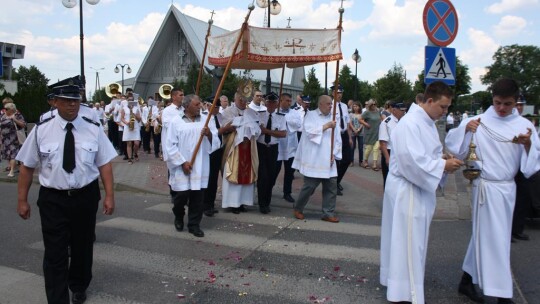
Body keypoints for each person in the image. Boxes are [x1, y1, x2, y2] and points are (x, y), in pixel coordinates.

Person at [16, 84, 116, 304]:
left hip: (85, 196)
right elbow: (26, 166)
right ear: (54, 102)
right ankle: (57, 299)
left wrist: (109, 195)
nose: (73, 104)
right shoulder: (42, 129)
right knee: (55, 253)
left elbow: (104, 164)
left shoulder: (92, 127)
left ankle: (79, 285)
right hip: (54, 199)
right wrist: (22, 200)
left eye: (76, 100)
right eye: (67, 100)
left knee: (82, 248)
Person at [446, 78, 540, 304]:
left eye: (507, 104)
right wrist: (465, 130)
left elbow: (532, 165)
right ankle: (501, 294)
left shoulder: (524, 126)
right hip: (486, 187)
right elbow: (453, 146)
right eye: (497, 103)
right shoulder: (477, 121)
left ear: (516, 101)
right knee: (496, 240)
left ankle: (467, 280)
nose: (501, 108)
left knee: (487, 236)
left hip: (507, 188)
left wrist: (527, 145)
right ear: (492, 99)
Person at [380, 81, 462, 304]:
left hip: (416, 187)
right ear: (429, 101)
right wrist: (442, 166)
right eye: (442, 107)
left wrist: (441, 160)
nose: (444, 112)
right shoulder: (410, 124)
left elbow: (426, 155)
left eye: (448, 108)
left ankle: (404, 286)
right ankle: (404, 292)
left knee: (412, 243)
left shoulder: (426, 122)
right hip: (408, 189)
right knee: (408, 243)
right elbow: (410, 162)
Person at [165, 94, 220, 237]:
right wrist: (182, 162)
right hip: (183, 165)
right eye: (196, 105)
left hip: (200, 165)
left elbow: (216, 143)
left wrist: (209, 135)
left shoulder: (207, 120)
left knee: (197, 196)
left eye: (200, 104)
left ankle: (194, 224)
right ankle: (178, 214)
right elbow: (170, 145)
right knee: (181, 195)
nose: (200, 107)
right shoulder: (176, 121)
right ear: (187, 105)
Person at [292, 95, 342, 223]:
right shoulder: (311, 115)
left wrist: (334, 153)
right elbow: (309, 132)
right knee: (309, 186)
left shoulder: (333, 118)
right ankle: (298, 208)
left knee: (331, 187)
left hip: (329, 159)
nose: (331, 106)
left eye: (331, 104)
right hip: (315, 158)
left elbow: (337, 139)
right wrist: (326, 126)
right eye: (328, 104)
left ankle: (328, 212)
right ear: (320, 104)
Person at [221, 92, 261, 214]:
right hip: (234, 148)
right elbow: (225, 127)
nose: (243, 102)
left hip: (248, 147)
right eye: (240, 99)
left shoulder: (251, 112)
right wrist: (236, 124)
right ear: (235, 99)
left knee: (247, 173)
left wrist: (250, 127)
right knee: (233, 172)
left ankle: (243, 202)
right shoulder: (228, 111)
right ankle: (233, 203)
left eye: (245, 99)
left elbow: (258, 129)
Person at [512, 96, 539, 241]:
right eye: (516, 105)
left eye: (521, 105)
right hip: (510, 166)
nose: (519, 108)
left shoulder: (527, 124)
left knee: (523, 199)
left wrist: (528, 145)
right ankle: (508, 230)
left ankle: (517, 229)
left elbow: (536, 145)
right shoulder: (507, 123)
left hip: (524, 166)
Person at [256, 92, 286, 214]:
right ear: (265, 102)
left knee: (271, 177)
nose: (271, 104)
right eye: (269, 101)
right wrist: (272, 132)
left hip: (273, 148)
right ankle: (262, 203)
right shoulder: (260, 115)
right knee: (262, 177)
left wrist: (266, 131)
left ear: (277, 103)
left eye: (274, 102)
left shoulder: (281, 117)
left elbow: (283, 134)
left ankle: (267, 201)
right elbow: (257, 131)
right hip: (261, 147)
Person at [275, 93, 302, 203]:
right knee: (274, 170)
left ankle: (287, 193)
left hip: (290, 146)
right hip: (278, 146)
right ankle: (268, 188)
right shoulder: (276, 112)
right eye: (287, 100)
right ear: (281, 100)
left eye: (290, 101)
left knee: (289, 172)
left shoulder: (294, 112)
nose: (289, 103)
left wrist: (285, 120)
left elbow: (298, 124)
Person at [378, 101, 407, 188]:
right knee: (388, 180)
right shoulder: (386, 122)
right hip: (390, 152)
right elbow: (383, 143)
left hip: (401, 153)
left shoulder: (405, 121)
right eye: (402, 110)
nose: (404, 112)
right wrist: (387, 158)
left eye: (405, 110)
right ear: (394, 110)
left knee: (400, 180)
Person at [331, 84, 352, 196]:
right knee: (336, 161)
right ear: (333, 93)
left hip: (344, 135)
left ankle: (337, 180)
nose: (340, 95)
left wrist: (349, 137)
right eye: (338, 93)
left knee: (347, 159)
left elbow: (347, 122)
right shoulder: (330, 105)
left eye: (341, 93)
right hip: (335, 135)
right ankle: (333, 184)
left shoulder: (344, 106)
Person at [1, 102, 26, 177]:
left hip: (14, 138)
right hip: (5, 139)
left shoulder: (17, 115)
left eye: (6, 109)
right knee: (8, 154)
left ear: (11, 109)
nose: (4, 110)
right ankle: (13, 168)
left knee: (12, 154)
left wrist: (14, 119)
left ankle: (12, 171)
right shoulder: (3, 116)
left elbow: (23, 125)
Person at [159, 88, 184, 162]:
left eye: (183, 95)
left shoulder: (184, 109)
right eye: (181, 95)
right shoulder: (167, 110)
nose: (183, 97)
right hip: (172, 145)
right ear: (173, 97)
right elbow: (168, 125)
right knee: (173, 170)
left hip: (182, 143)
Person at [359, 99, 382, 170]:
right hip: (369, 133)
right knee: (368, 149)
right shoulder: (367, 112)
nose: (374, 106)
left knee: (376, 148)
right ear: (370, 105)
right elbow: (360, 119)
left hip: (377, 133)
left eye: (375, 104)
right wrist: (366, 124)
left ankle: (374, 164)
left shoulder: (378, 112)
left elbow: (381, 119)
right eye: (372, 104)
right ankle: (365, 161)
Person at [121, 97, 142, 164]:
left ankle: (135, 153)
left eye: (132, 100)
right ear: (127, 101)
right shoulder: (124, 108)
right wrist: (126, 122)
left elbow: (139, 120)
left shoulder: (136, 109)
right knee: (129, 143)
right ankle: (130, 158)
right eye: (129, 100)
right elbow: (121, 118)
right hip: (128, 127)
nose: (130, 101)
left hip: (135, 127)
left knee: (136, 143)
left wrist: (135, 115)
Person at [349, 101, 364, 166]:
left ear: (359, 107)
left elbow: (363, 123)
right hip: (353, 132)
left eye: (356, 106)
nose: (355, 107)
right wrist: (354, 129)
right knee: (352, 147)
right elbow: (349, 123)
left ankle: (361, 161)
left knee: (361, 148)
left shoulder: (362, 114)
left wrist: (359, 129)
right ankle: (351, 161)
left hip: (360, 133)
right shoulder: (351, 114)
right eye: (354, 106)